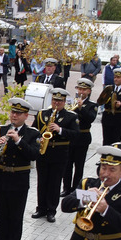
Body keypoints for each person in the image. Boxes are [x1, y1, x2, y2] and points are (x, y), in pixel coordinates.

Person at [0, 98, 40, 240]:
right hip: (1, 177)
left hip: (18, 180)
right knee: (1, 214)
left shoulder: (32, 133)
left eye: (18, 113)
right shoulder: (0, 130)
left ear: (26, 115)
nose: (14, 115)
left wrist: (18, 141)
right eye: (13, 112)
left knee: (15, 216)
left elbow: (34, 155)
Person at [32, 88, 80, 222]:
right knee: (42, 181)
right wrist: (38, 139)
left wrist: (60, 130)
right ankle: (40, 208)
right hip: (44, 152)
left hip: (60, 153)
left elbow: (76, 135)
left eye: (59, 101)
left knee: (54, 182)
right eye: (54, 100)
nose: (56, 103)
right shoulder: (42, 114)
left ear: (64, 102)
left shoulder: (71, 116)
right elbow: (33, 130)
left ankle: (51, 210)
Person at [62, 79, 98, 196]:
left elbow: (90, 118)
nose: (81, 92)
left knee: (79, 165)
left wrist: (81, 108)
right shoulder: (71, 102)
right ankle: (66, 188)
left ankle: (76, 189)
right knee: (67, 164)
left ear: (89, 91)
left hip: (82, 137)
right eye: (79, 89)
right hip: (71, 136)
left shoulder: (92, 105)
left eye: (84, 89)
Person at [98, 68, 121, 145]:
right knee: (106, 140)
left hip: (119, 118)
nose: (116, 79)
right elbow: (101, 101)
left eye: (118, 77)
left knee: (116, 140)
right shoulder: (109, 88)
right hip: (107, 117)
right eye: (115, 77)